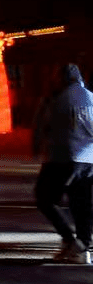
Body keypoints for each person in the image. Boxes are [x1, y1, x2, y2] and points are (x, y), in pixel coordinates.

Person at [33, 62, 93, 264]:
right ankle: (82, 246)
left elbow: (44, 126)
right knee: (81, 203)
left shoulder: (63, 98)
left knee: (44, 197)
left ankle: (71, 242)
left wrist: (39, 143)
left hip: (63, 157)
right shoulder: (87, 96)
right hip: (87, 159)